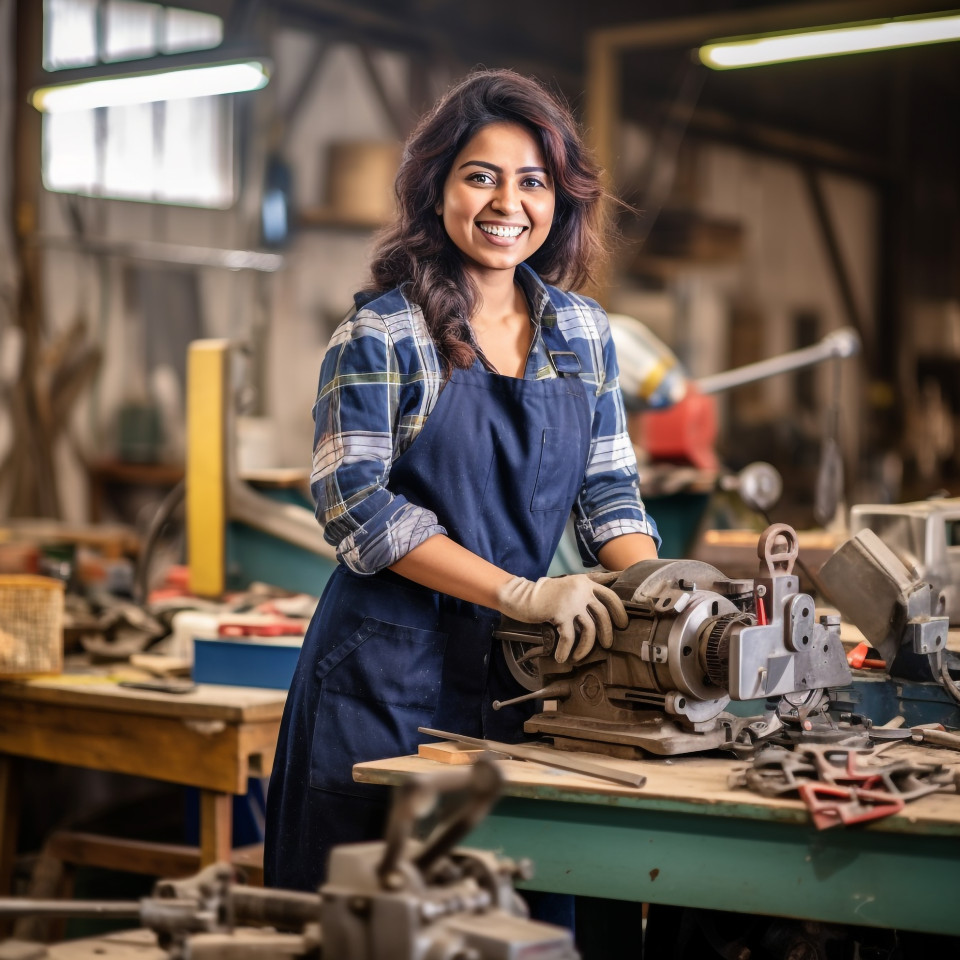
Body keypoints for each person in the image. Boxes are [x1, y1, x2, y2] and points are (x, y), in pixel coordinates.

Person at [263, 68, 660, 898]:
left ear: (561, 200)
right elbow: (358, 509)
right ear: (435, 188)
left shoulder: (581, 332)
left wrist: (664, 599)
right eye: (480, 176)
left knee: (512, 915)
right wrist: (522, 592)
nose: (506, 203)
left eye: (532, 182)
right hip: (383, 681)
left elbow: (609, 489)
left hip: (523, 681)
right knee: (369, 921)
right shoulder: (383, 333)